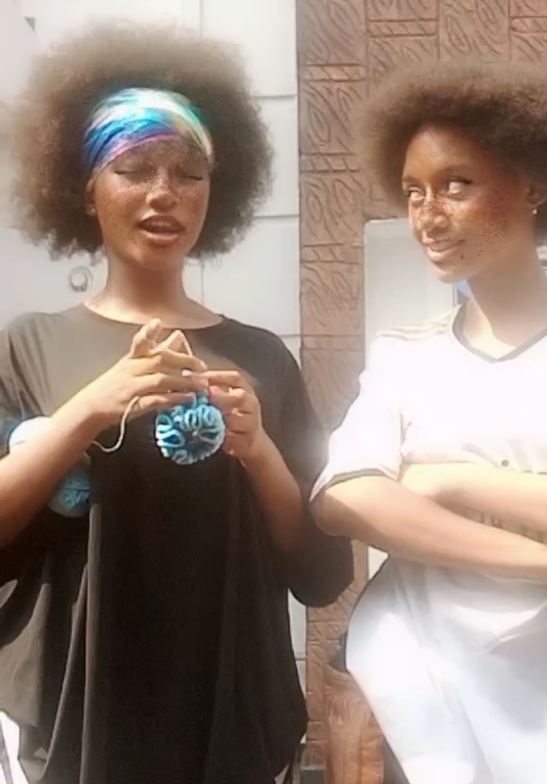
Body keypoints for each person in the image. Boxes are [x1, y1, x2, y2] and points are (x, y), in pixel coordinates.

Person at [0, 23, 354, 784]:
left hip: (229, 716)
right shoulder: (27, 347)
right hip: (76, 718)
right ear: (85, 189)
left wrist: (258, 450)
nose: (164, 193)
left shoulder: (262, 356)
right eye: (133, 169)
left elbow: (319, 570)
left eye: (189, 173)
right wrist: (88, 411)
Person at [311, 61, 547, 784]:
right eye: (413, 191)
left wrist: (451, 481)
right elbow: (346, 497)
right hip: (424, 705)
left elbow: (394, 495)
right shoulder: (406, 355)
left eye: (457, 184)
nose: (428, 215)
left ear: (534, 185)